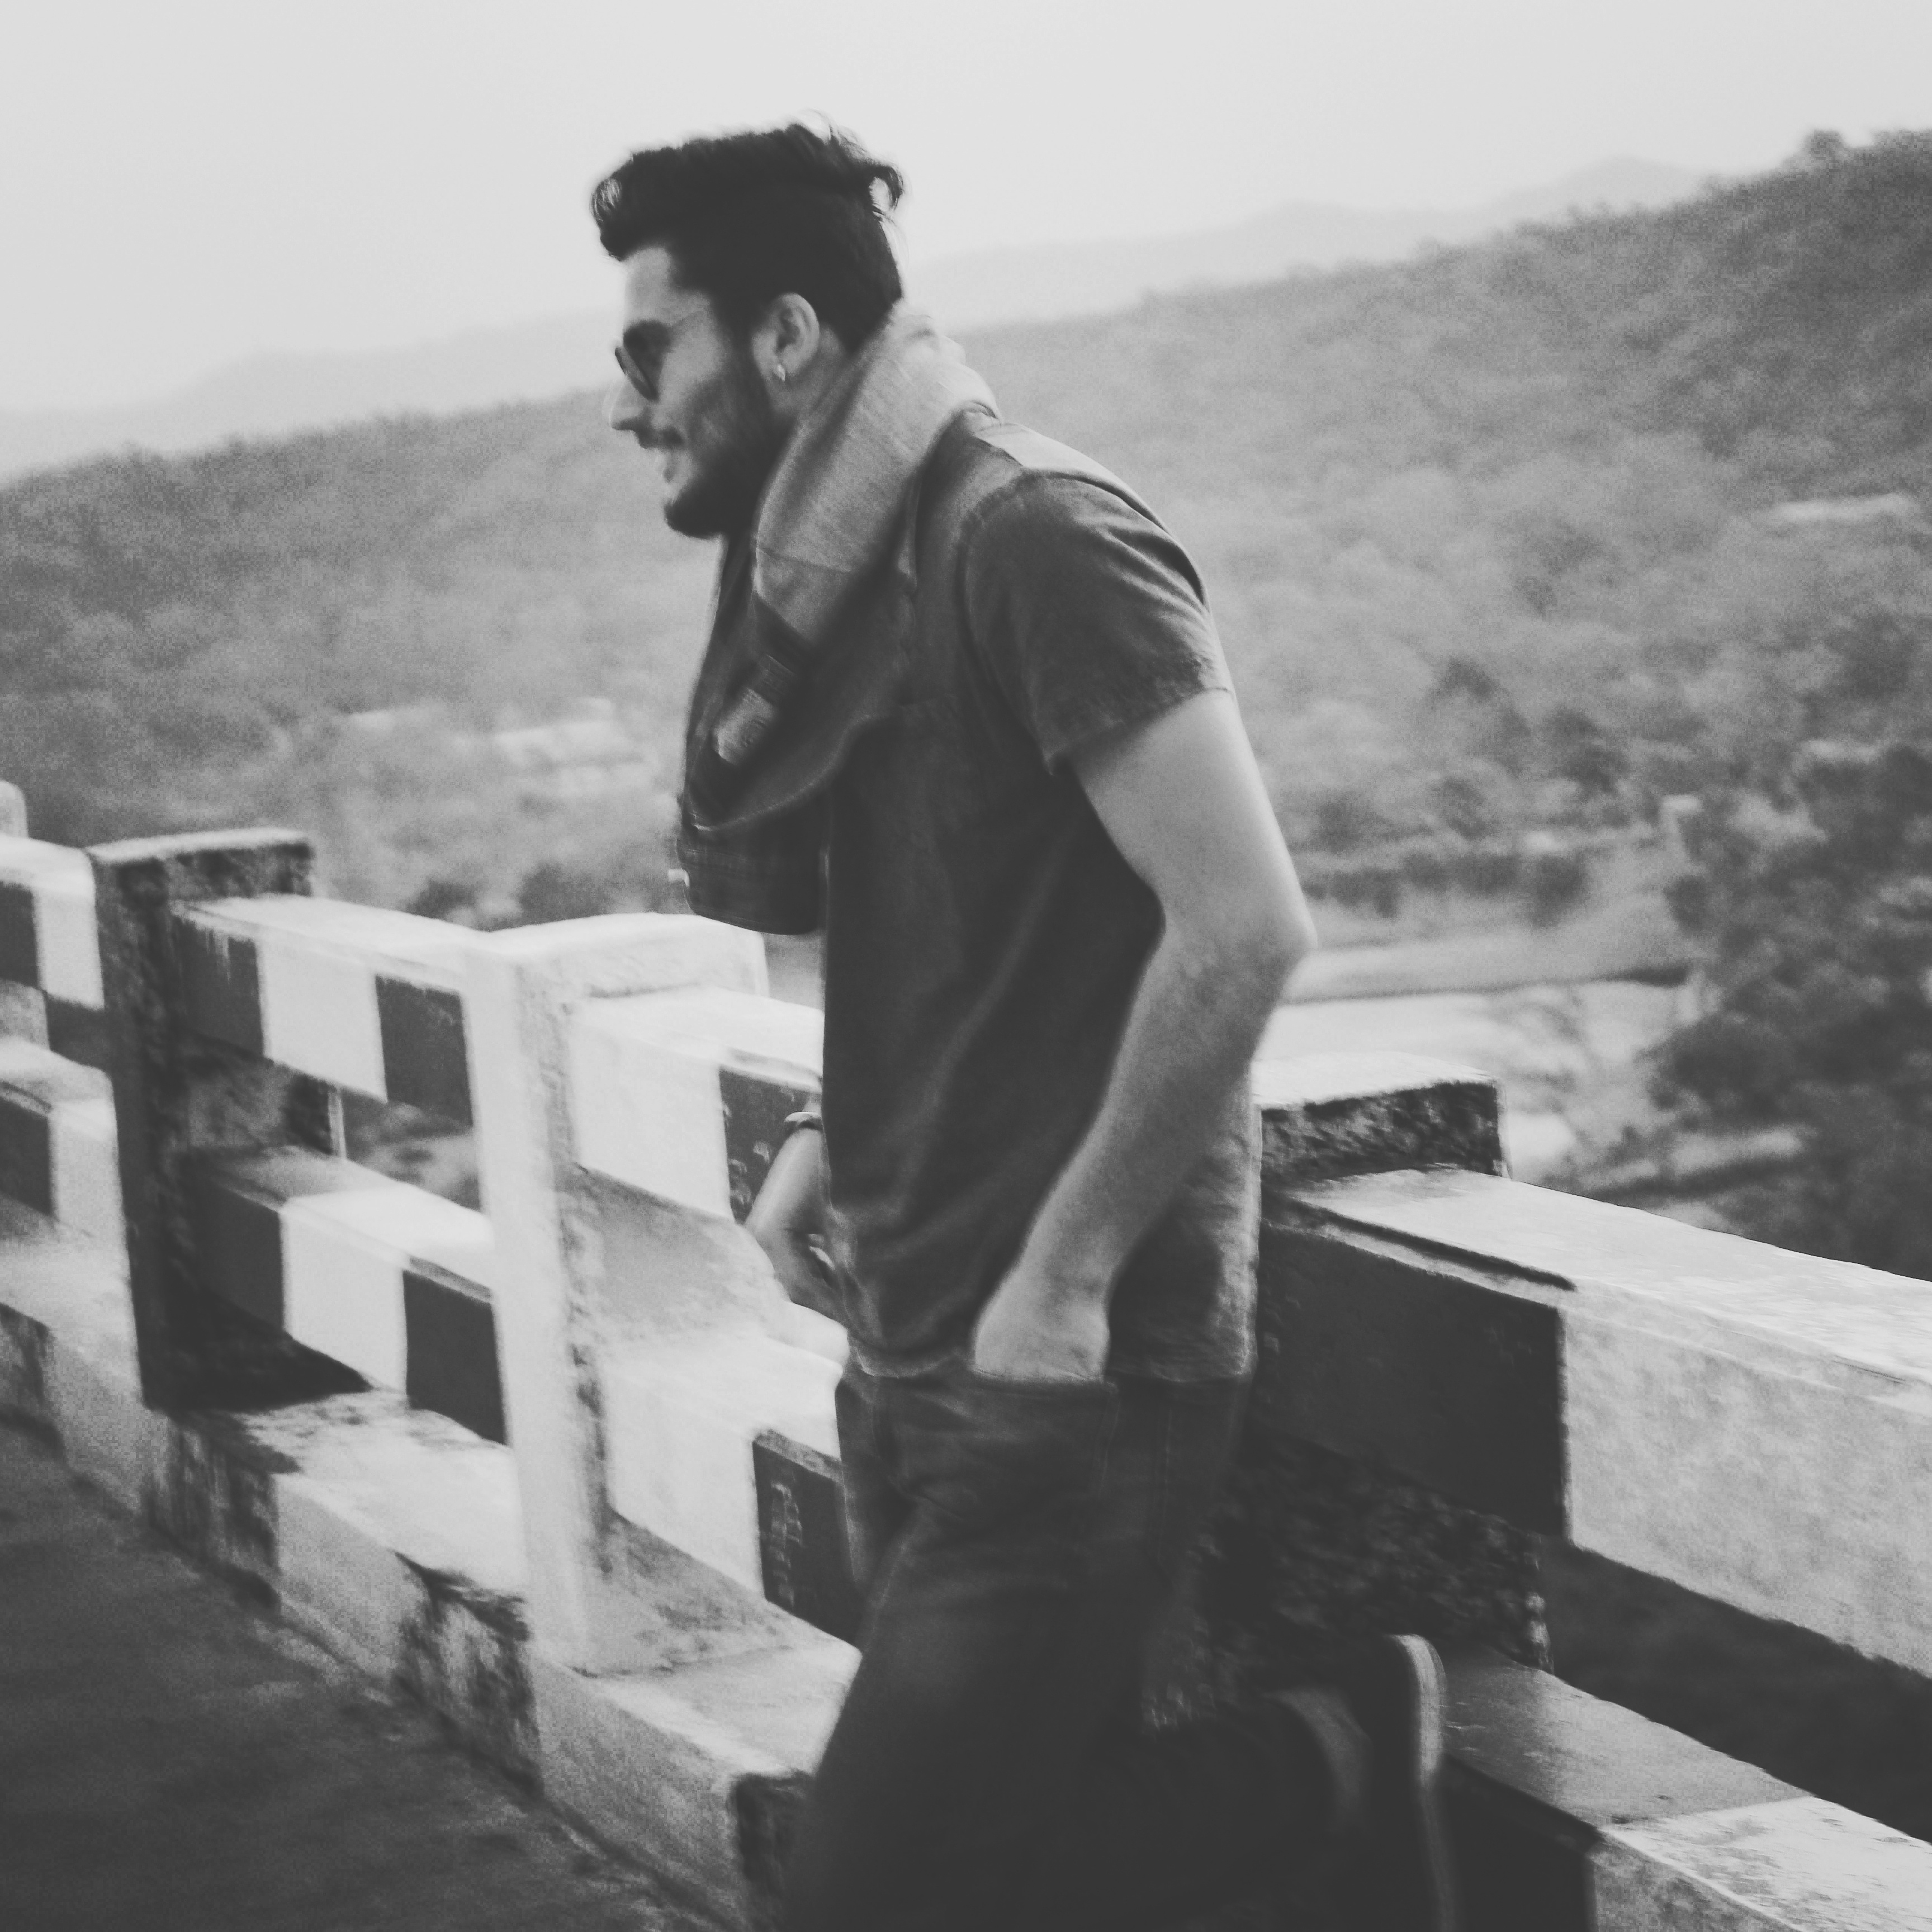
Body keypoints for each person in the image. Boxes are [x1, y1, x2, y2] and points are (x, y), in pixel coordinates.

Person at [595, 121, 1457, 1932]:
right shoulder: (839, 579)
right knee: (1002, 1872)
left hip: (1073, 1369)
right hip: (914, 1338)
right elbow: (967, 921)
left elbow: (1243, 926)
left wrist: (1062, 1280)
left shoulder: (1031, 536)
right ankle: (1335, 1779)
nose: (627, 404)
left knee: (870, 1898)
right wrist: (835, 1128)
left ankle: (1346, 1742)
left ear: (788, 337)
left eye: (650, 349)